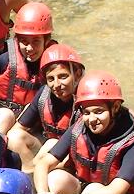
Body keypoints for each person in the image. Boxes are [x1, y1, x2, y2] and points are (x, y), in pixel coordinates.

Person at [33, 71, 134, 194]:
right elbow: (44, 164)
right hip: (86, 187)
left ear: (115, 107)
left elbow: (114, 193)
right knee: (55, 178)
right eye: (87, 113)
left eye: (99, 112)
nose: (92, 119)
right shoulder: (80, 127)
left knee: (94, 189)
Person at [7, 43, 85, 172]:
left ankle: (34, 172)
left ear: (76, 74)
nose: (56, 85)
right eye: (51, 79)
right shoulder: (44, 94)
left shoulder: (85, 102)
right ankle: (29, 171)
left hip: (69, 156)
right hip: (45, 147)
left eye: (63, 76)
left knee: (52, 143)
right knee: (14, 136)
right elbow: (18, 128)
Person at [0, 1, 56, 134]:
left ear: (46, 40)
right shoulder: (2, 61)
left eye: (36, 41)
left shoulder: (55, 65)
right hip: (3, 110)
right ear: (17, 40)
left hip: (32, 116)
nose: (29, 48)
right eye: (24, 41)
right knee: (5, 116)